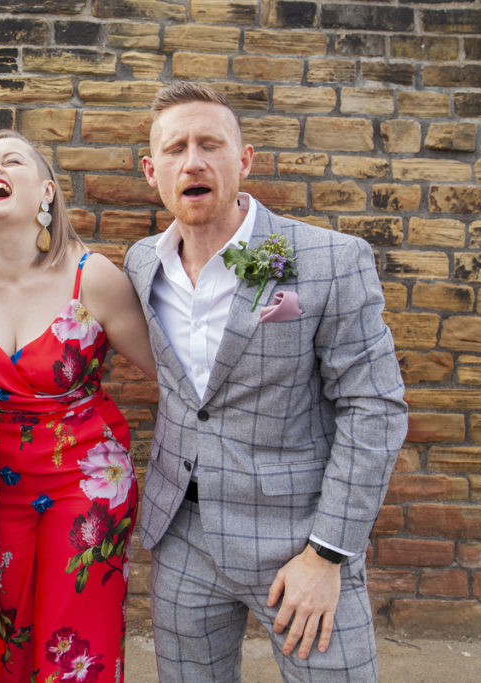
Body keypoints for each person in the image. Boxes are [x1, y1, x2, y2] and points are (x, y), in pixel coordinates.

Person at [124, 79, 409, 681]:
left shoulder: (331, 260)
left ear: (244, 159)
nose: (193, 161)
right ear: (152, 170)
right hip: (183, 539)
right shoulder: (143, 263)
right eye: (175, 149)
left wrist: (327, 554)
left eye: (211, 144)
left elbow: (374, 408)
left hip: (300, 542)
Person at [0, 130, 156, 682]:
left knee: (75, 648)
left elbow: (175, 376)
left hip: (86, 483)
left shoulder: (91, 277)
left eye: (9, 160)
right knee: (9, 639)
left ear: (47, 191)